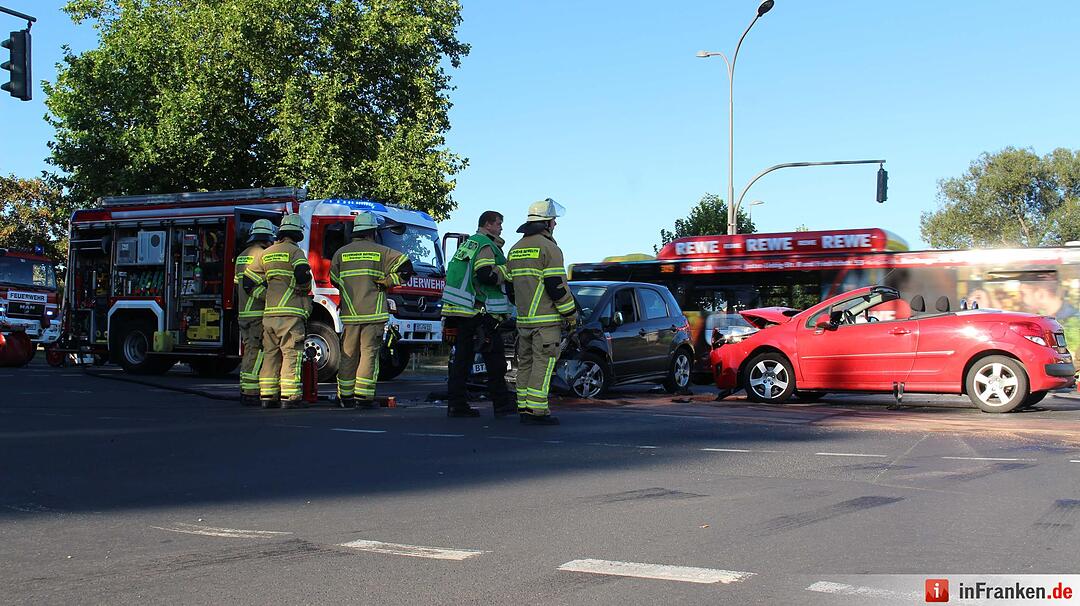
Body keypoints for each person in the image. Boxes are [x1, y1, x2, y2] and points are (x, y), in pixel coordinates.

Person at [329, 211, 413, 409]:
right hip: (374, 313)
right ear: (373, 232)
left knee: (348, 354)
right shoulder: (382, 252)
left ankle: (346, 396)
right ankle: (363, 397)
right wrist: (388, 282)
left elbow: (334, 278)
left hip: (350, 314)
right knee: (369, 355)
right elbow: (407, 268)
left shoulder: (340, 253)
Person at [506, 199, 579, 425]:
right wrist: (571, 316)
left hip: (524, 321)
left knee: (525, 364)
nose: (555, 224)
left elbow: (510, 288)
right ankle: (538, 412)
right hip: (546, 322)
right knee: (543, 365)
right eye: (554, 221)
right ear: (546, 223)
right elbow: (557, 287)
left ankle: (524, 409)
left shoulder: (515, 249)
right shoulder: (549, 248)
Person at [442, 210, 514, 418]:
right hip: (479, 310)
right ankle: (501, 404)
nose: (501, 227)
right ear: (488, 224)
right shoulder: (485, 245)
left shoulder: (468, 244)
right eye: (499, 223)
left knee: (462, 360)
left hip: (460, 309)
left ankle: (456, 405)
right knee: (495, 359)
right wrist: (506, 271)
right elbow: (486, 276)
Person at [244, 214, 313, 409]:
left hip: (269, 315)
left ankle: (267, 396)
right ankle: (289, 397)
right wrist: (303, 288)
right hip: (290, 315)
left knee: (270, 354)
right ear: (298, 232)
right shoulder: (295, 252)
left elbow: (247, 282)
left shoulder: (266, 253)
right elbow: (302, 274)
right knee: (291, 354)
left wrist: (266, 295)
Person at [234, 219, 276, 406]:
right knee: (256, 351)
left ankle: (245, 387)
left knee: (249, 350)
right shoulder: (262, 255)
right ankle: (250, 391)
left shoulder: (242, 256)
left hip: (243, 311)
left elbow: (238, 284)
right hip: (257, 311)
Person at [1020, 280, 1080, 355]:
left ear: (1040, 294)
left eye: (1023, 294)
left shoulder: (1073, 321)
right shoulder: (1042, 318)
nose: (1022, 299)